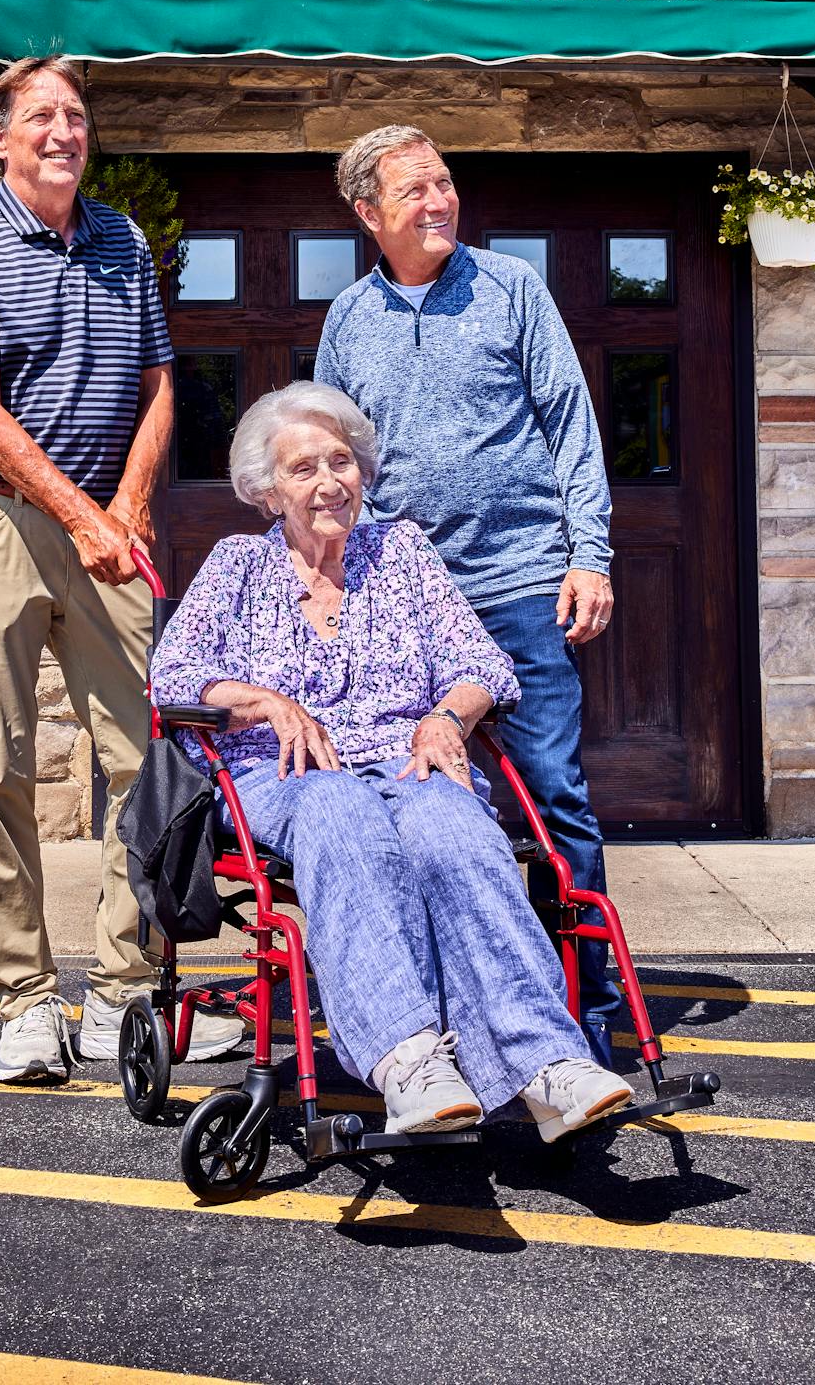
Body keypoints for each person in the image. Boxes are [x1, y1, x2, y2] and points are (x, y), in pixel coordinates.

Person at [149, 381, 633, 1140]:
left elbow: (483, 662)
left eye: (341, 461)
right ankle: (407, 1059)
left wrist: (447, 717)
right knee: (340, 809)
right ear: (267, 490)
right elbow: (173, 675)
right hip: (281, 775)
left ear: (363, 473)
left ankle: (547, 1064)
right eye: (303, 468)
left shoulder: (402, 551)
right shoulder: (237, 566)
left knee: (454, 824)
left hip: (403, 761)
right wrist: (266, 701)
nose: (328, 482)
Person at [0, 54, 242, 1082]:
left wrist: (129, 507)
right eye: (41, 115)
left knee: (152, 754)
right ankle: (23, 999)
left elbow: (156, 383)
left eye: (75, 114)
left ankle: (120, 991)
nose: (63, 130)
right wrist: (82, 515)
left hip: (108, 521)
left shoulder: (120, 239)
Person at [313, 125, 619, 1064]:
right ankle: (448, 1007)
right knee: (423, 802)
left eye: (445, 182)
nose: (440, 201)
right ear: (369, 213)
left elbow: (570, 422)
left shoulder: (513, 289)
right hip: (406, 604)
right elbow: (331, 465)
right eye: (416, 190)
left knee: (553, 798)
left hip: (525, 584)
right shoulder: (348, 320)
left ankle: (591, 1011)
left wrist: (589, 554)